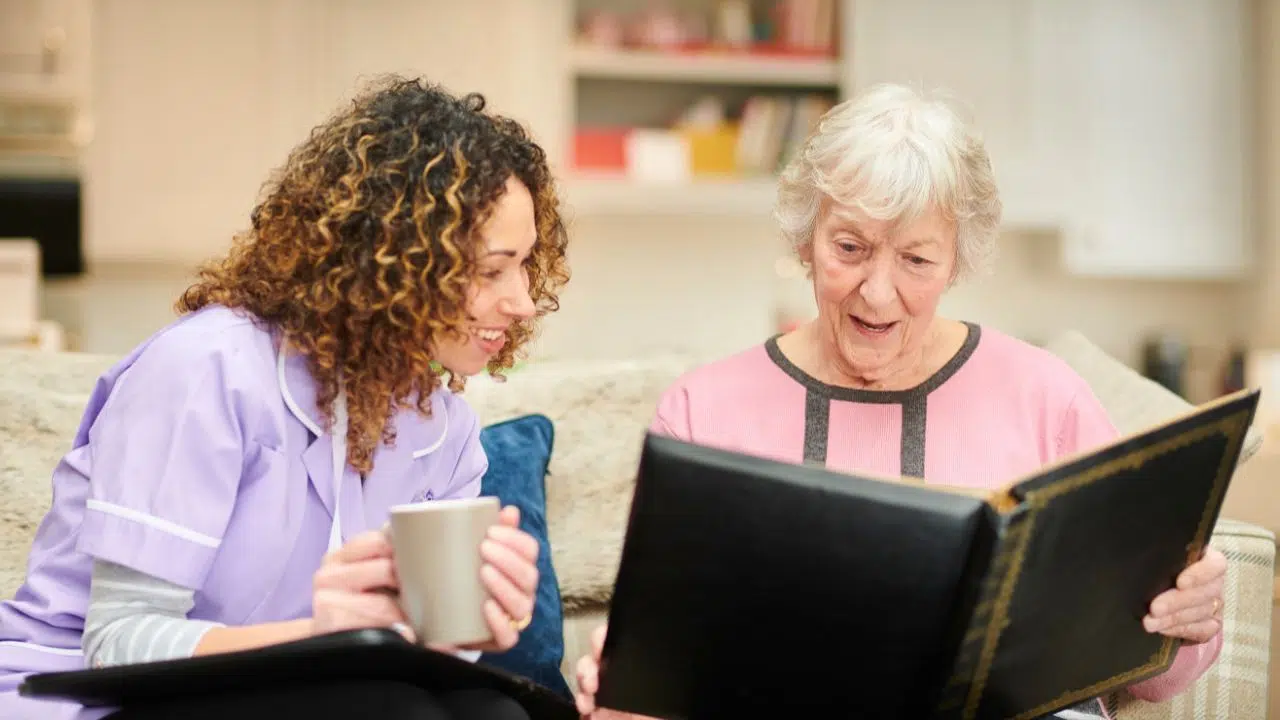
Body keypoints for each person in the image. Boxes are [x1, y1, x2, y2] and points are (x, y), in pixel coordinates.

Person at [572, 83, 1226, 720]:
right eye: (850, 249)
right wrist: (628, 682)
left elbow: (1154, 674)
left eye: (916, 260)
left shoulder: (1046, 399)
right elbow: (661, 656)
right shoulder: (703, 411)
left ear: (956, 262)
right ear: (807, 239)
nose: (878, 293)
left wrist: (1185, 616)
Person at [0, 76, 570, 720]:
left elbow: (407, 646)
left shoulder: (443, 427)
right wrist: (326, 634)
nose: (522, 301)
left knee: (494, 714)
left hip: (291, 691)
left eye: (525, 265)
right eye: (492, 270)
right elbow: (120, 643)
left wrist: (471, 625)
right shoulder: (206, 369)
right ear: (391, 256)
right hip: (90, 694)